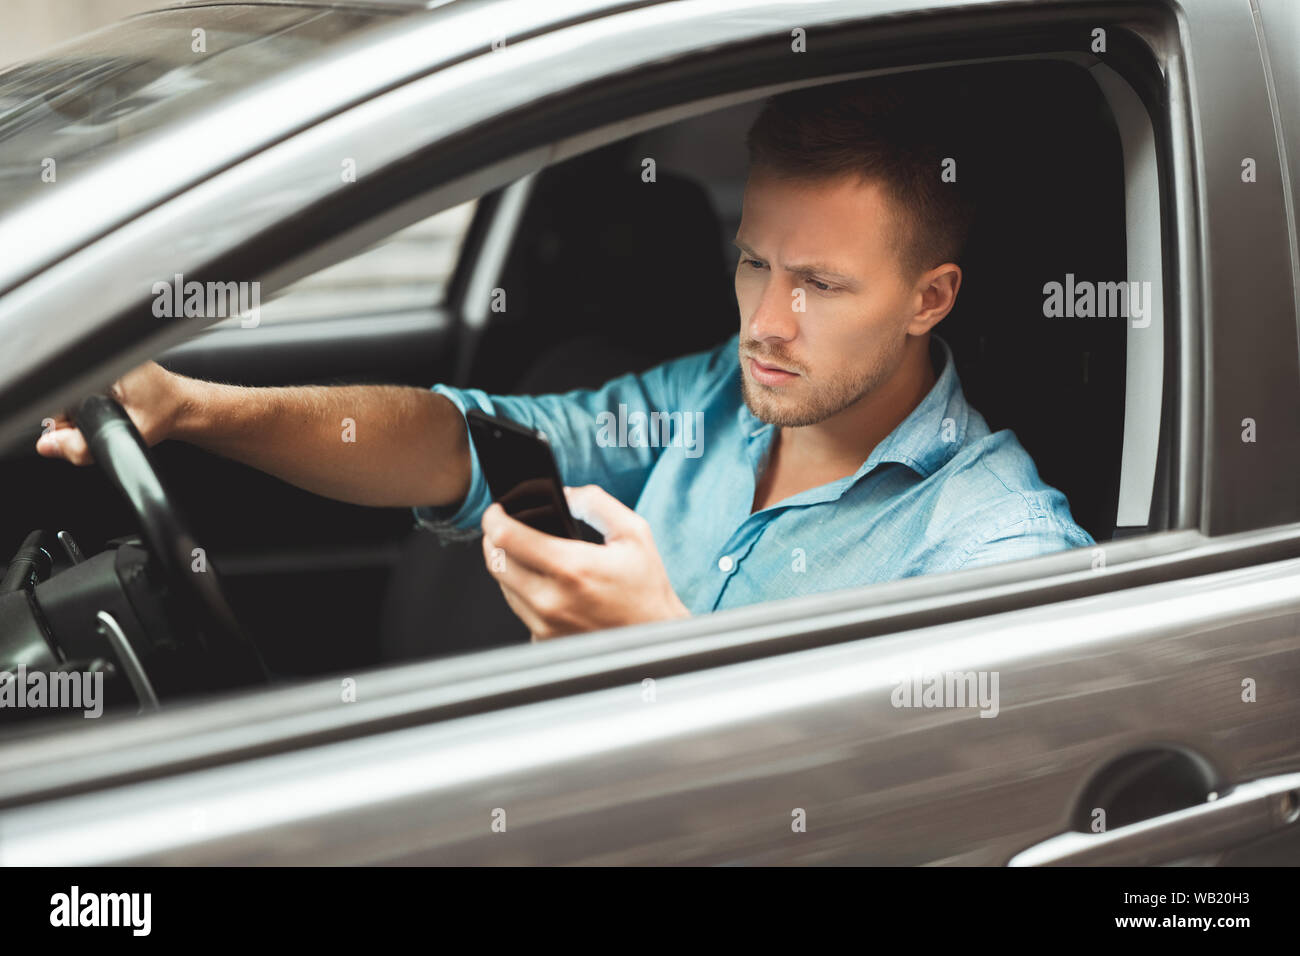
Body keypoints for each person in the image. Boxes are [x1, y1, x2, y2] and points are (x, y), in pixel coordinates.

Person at [36, 76, 1093, 641]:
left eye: (818, 284)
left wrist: (662, 649)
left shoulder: (995, 552)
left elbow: (906, 821)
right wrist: (189, 406)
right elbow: (457, 436)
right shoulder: (715, 396)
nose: (765, 319)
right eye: (753, 262)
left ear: (930, 298)